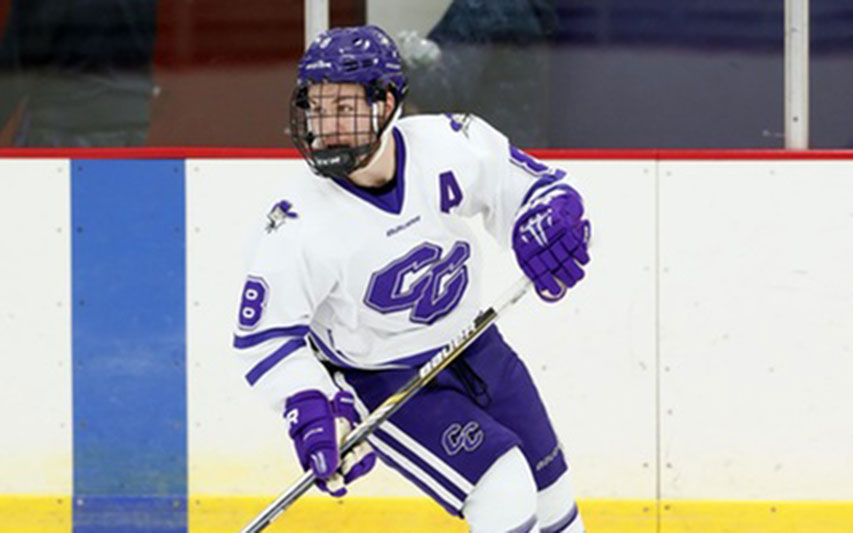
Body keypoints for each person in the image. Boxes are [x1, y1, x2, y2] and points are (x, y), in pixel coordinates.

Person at [232, 25, 590, 533]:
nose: (326, 126)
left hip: (478, 348)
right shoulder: (296, 224)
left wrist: (551, 221)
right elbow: (265, 339)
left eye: (345, 108)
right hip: (384, 380)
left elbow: (535, 190)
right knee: (502, 487)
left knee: (553, 496)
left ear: (388, 103)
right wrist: (312, 407)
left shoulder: (448, 145)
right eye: (317, 107)